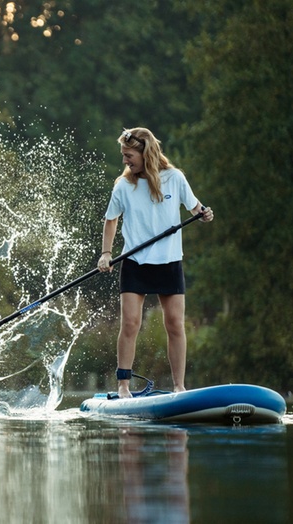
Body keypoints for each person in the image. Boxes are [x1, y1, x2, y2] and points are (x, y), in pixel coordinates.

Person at [97, 128, 214, 398]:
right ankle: (123, 386)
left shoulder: (175, 178)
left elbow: (196, 208)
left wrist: (204, 214)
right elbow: (111, 219)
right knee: (130, 324)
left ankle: (179, 387)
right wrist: (106, 253)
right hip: (135, 262)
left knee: (174, 324)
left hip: (169, 262)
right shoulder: (123, 185)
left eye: (129, 156)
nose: (125, 161)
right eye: (124, 156)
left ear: (145, 153)